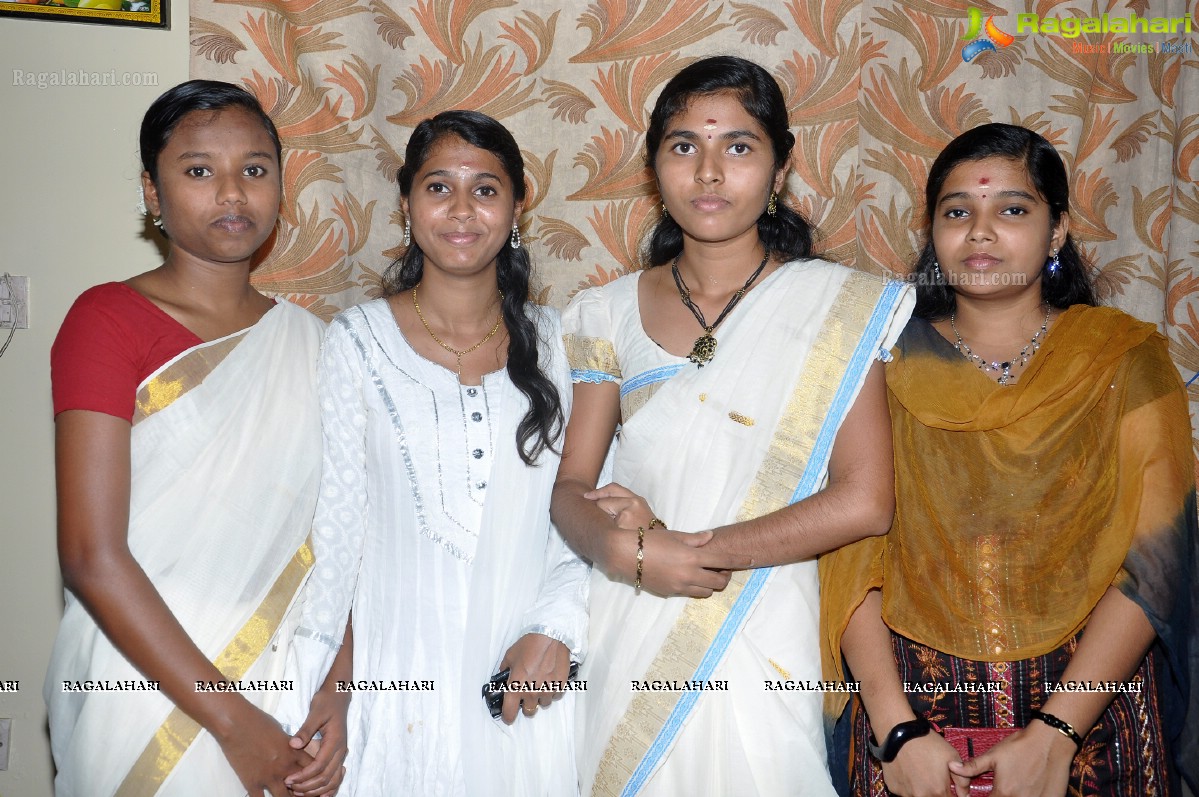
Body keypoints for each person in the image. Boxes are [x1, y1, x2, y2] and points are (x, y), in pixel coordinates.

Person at [551, 56, 915, 796]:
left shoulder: (836, 308)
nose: (709, 172)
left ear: (780, 167)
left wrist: (690, 550)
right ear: (654, 168)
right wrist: (626, 553)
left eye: (738, 147)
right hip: (631, 619)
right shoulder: (604, 311)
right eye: (684, 146)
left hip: (764, 623)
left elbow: (864, 499)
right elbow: (568, 491)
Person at [835, 123, 1197, 796]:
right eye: (956, 212)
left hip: (1094, 724)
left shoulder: (1122, 359)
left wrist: (1055, 734)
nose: (979, 231)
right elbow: (848, 563)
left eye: (1010, 209)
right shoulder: (875, 364)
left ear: (1056, 230)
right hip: (917, 727)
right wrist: (898, 732)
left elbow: (1157, 562)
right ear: (932, 230)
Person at [45, 80, 346, 796]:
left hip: (291, 688)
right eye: (199, 170)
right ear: (153, 191)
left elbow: (342, 544)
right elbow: (91, 554)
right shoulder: (105, 320)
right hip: (145, 682)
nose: (232, 193)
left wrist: (336, 693)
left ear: (280, 185)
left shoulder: (316, 344)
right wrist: (233, 722)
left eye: (254, 168)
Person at [280, 110, 588, 796]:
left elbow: (585, 507)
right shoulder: (356, 341)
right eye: (437, 187)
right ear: (406, 202)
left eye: (484, 189)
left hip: (528, 673)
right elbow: (337, 533)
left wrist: (556, 628)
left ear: (517, 205)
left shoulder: (562, 342)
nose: (460, 211)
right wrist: (328, 685)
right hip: (399, 676)